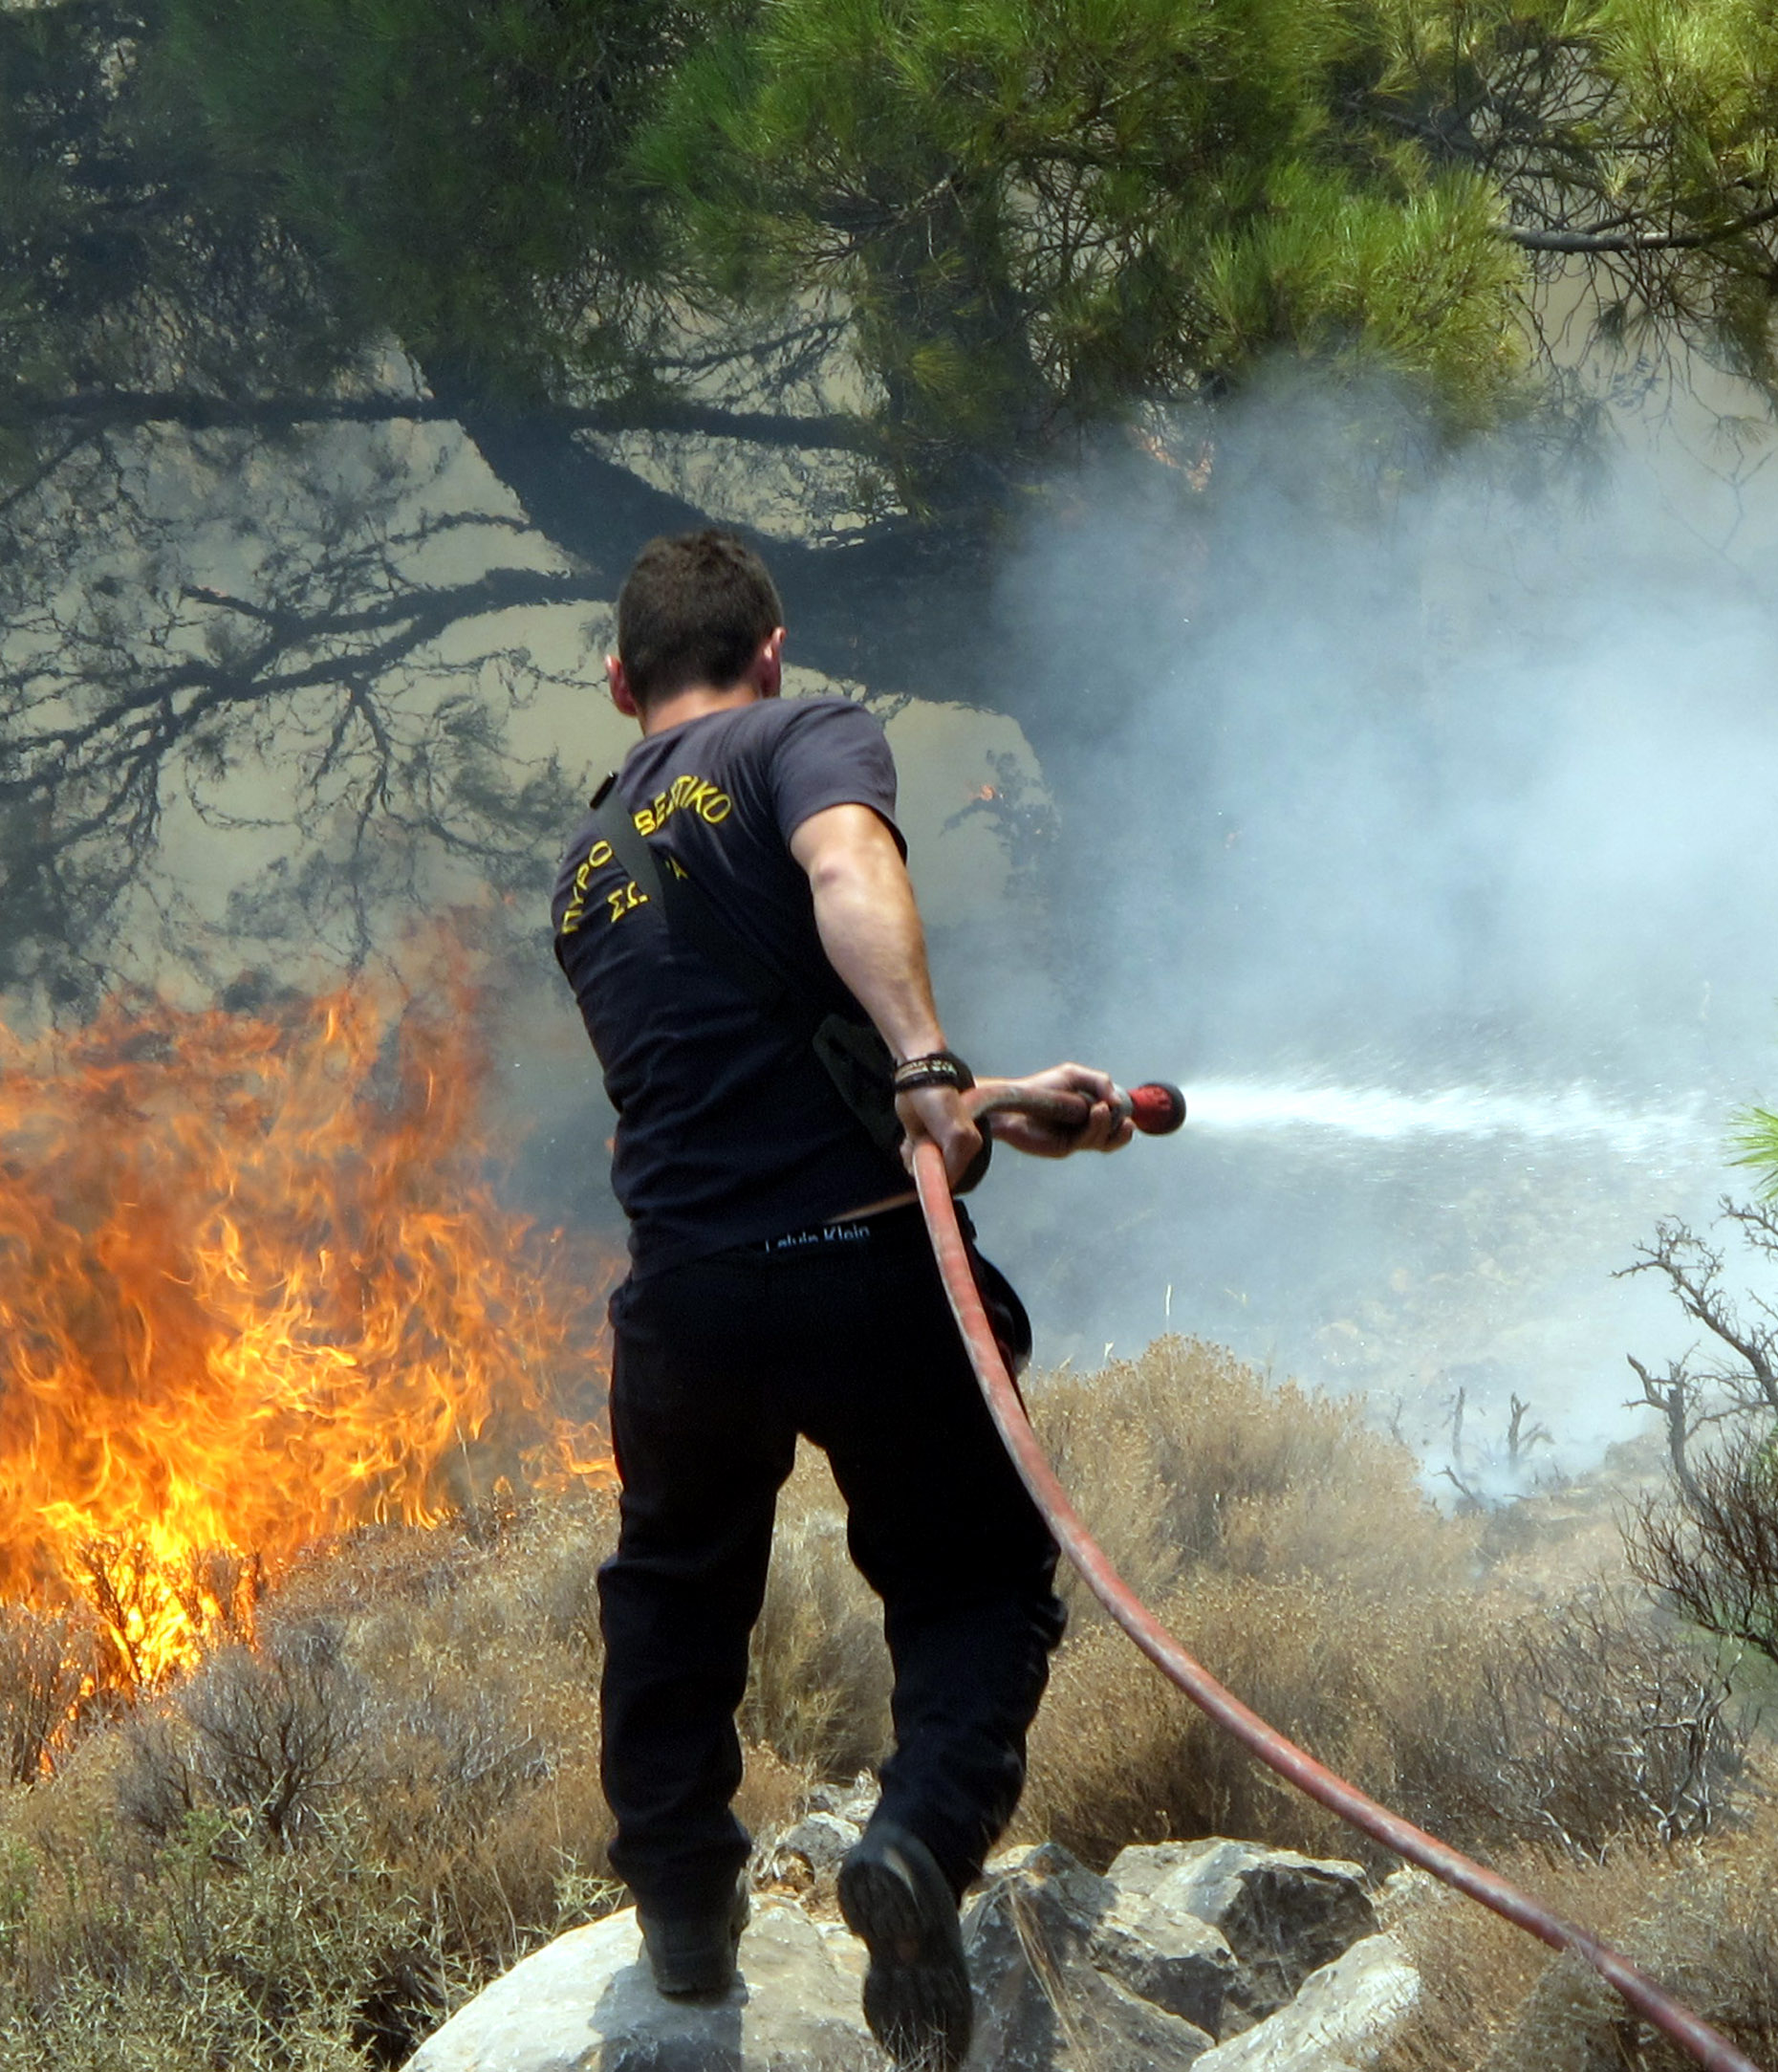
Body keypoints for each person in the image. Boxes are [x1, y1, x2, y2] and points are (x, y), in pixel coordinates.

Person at [550, 528, 1132, 2070]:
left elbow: (746, 1080)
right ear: (771, 650)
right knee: (974, 1580)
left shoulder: (588, 863)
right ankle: (917, 1845)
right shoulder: (801, 739)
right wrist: (937, 1067)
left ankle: (681, 1905)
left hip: (684, 1302)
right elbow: (847, 867)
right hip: (867, 1266)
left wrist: (985, 1097)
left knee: (674, 1587)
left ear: (621, 684)